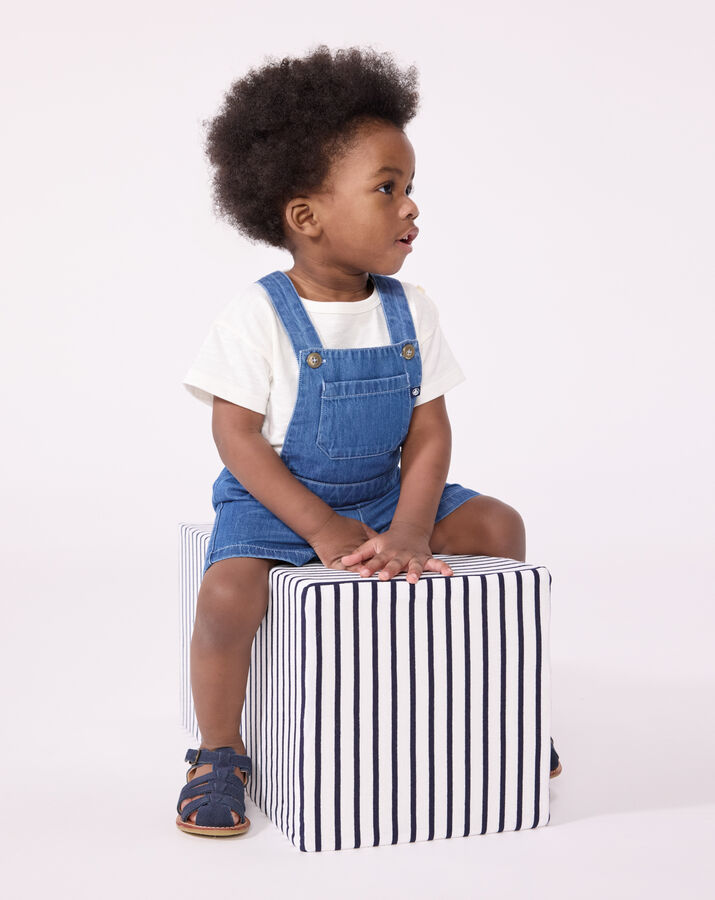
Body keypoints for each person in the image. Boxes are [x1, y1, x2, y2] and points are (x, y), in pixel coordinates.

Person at [175, 45, 561, 838]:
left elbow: (428, 431)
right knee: (226, 596)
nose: (411, 208)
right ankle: (217, 750)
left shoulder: (409, 307)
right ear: (304, 215)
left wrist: (412, 527)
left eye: (411, 188)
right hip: (277, 502)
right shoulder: (257, 315)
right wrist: (318, 528)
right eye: (387, 190)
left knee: (499, 527)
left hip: (384, 493)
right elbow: (237, 438)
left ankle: (504, 709)